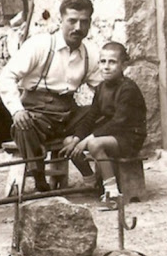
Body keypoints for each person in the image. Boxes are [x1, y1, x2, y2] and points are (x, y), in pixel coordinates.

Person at [0, 0, 102, 191]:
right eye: (72, 21)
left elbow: (102, 90)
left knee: (102, 111)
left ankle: (97, 175)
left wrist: (84, 130)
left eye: (84, 22)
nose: (78, 28)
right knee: (23, 126)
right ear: (60, 21)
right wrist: (17, 110)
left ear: (89, 24)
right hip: (38, 115)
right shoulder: (40, 45)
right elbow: (6, 76)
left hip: (68, 114)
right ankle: (39, 180)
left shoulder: (91, 53)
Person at [59, 42, 147, 202]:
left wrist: (88, 140)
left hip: (129, 136)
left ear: (124, 65)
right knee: (68, 142)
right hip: (108, 134)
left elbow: (118, 122)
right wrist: (77, 139)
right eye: (103, 61)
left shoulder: (128, 89)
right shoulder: (101, 88)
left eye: (112, 62)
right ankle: (92, 181)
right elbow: (91, 117)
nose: (106, 67)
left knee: (94, 144)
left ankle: (112, 192)